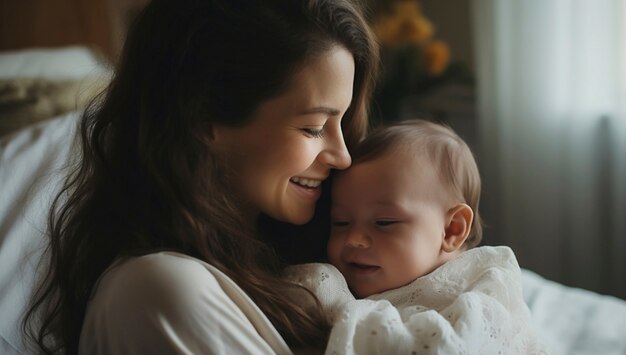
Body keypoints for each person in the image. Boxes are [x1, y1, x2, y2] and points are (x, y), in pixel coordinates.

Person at [22, 0, 379, 354]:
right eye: (313, 127)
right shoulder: (159, 290)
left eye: (342, 124)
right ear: (204, 115)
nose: (343, 157)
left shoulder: (299, 270)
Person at [285, 119, 546, 354]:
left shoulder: (481, 291)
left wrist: (328, 295)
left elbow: (438, 347)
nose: (354, 239)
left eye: (384, 223)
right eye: (340, 222)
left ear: (452, 230)